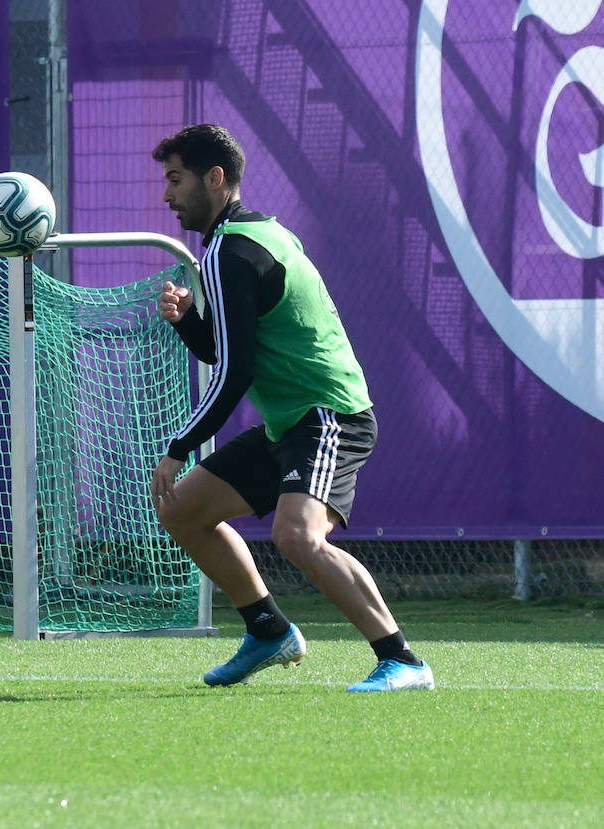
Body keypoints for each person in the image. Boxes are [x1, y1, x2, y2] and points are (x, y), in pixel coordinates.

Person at [148, 124, 433, 692]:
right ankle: (267, 629)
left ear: (215, 178)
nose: (167, 195)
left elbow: (235, 373)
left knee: (297, 536)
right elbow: (227, 350)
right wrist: (188, 324)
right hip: (291, 423)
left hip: (329, 415)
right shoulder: (245, 237)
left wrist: (178, 448)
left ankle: (402, 660)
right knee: (182, 510)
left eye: (176, 180)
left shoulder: (233, 249)